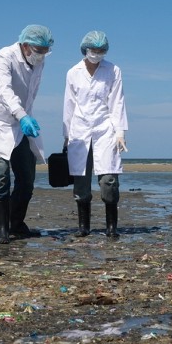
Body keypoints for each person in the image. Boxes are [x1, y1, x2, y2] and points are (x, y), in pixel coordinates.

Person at [0, 24, 53, 244]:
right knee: (1, 176)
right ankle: (2, 230)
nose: (42, 55)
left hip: (21, 124)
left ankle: (16, 223)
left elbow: (31, 92)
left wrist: (26, 116)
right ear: (26, 46)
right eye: (39, 50)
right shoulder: (3, 57)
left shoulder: (38, 63)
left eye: (45, 50)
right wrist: (21, 114)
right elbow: (4, 90)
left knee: (27, 179)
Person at [62, 30, 128, 239]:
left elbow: (117, 101)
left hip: (105, 129)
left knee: (108, 180)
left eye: (101, 51)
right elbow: (69, 105)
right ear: (85, 49)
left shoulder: (113, 70)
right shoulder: (73, 72)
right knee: (81, 180)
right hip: (79, 130)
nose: (97, 54)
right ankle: (83, 227)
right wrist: (66, 135)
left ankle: (111, 227)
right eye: (93, 50)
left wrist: (120, 132)